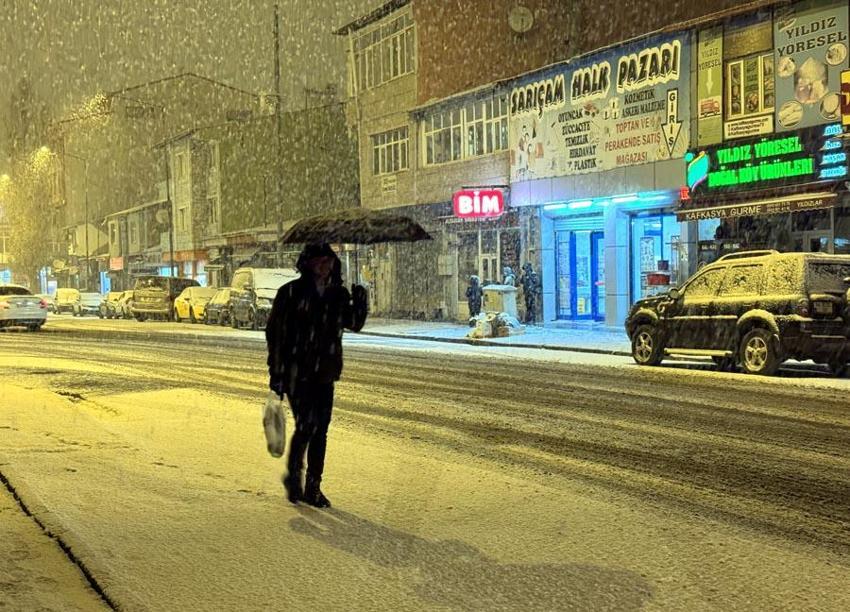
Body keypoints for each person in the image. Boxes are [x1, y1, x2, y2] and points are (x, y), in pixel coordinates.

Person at [266, 243, 368, 508]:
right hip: (296, 372)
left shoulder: (337, 294)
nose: (325, 266)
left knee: (320, 430)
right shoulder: (291, 293)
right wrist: (276, 373)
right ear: (308, 263)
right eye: (320, 261)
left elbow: (353, 323)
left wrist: (360, 302)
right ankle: (294, 476)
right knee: (307, 426)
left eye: (328, 261)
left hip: (325, 372)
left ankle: (313, 485)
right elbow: (275, 335)